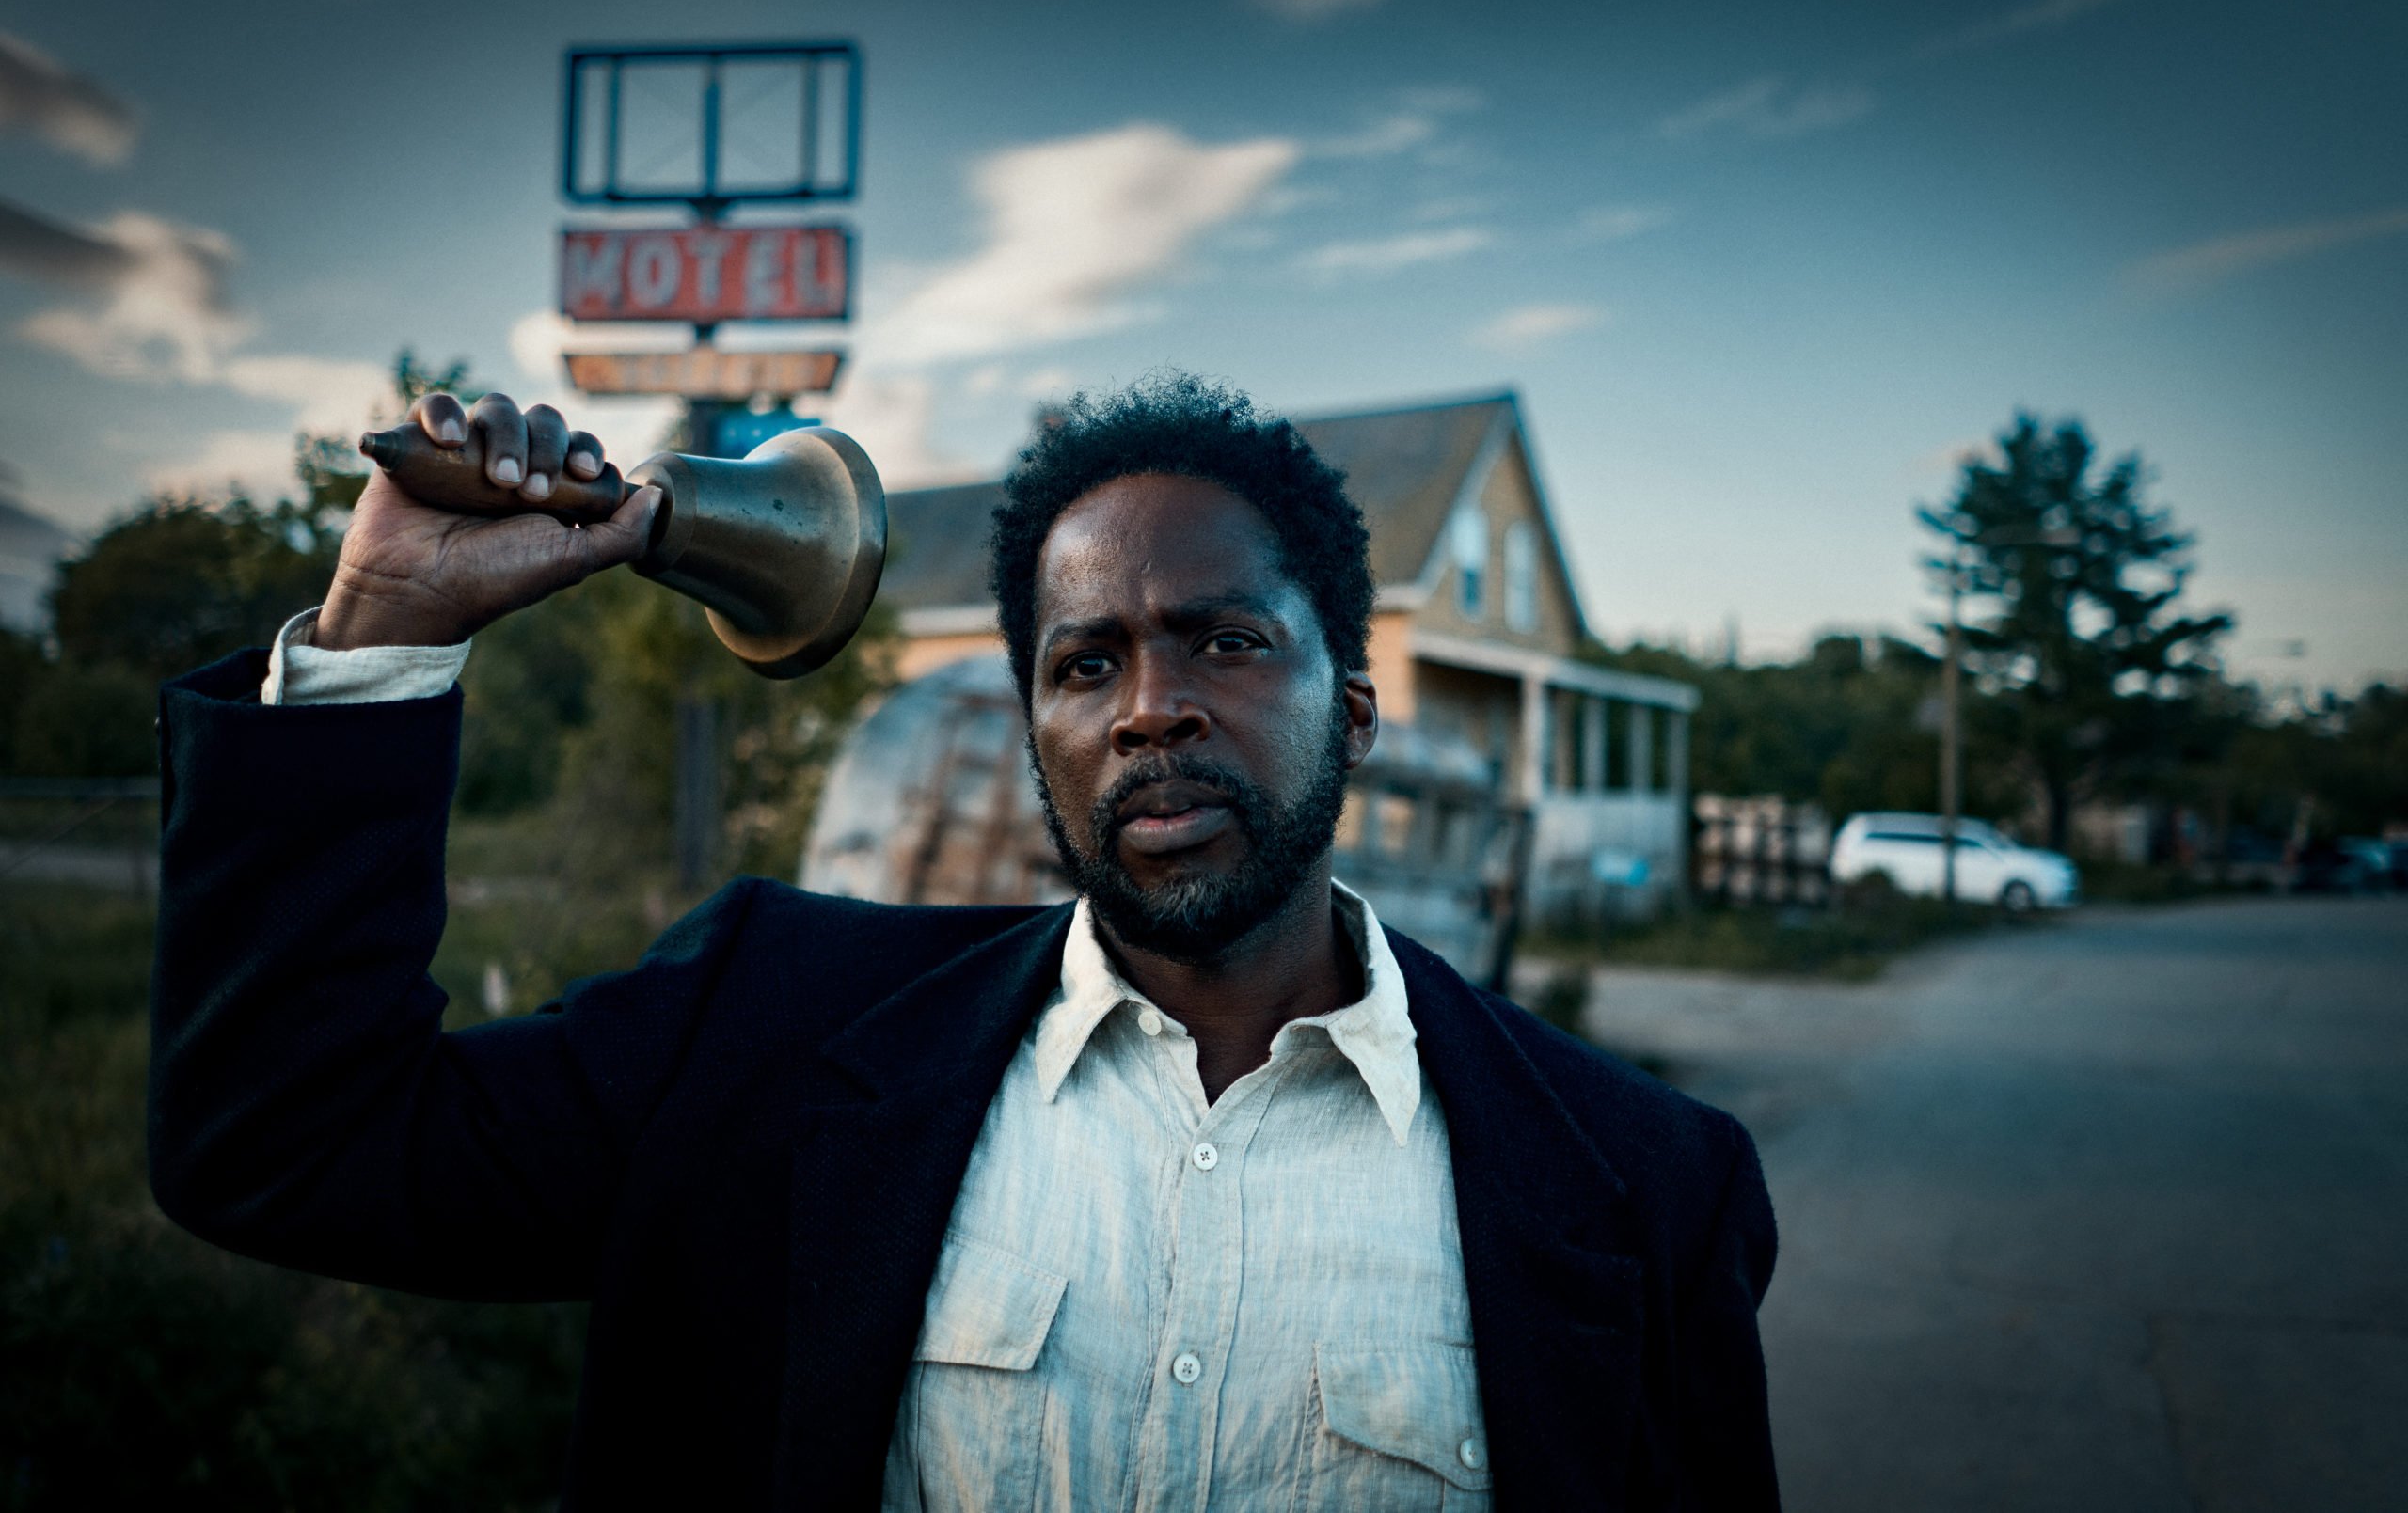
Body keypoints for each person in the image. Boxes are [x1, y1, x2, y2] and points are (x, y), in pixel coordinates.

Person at [150, 373, 1780, 1510]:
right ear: (1034, 731)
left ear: (1351, 711)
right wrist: (386, 628)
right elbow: (284, 1141)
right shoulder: (763, 1039)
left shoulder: (1644, 1185)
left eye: (1224, 639)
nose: (1151, 706)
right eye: (1087, 665)